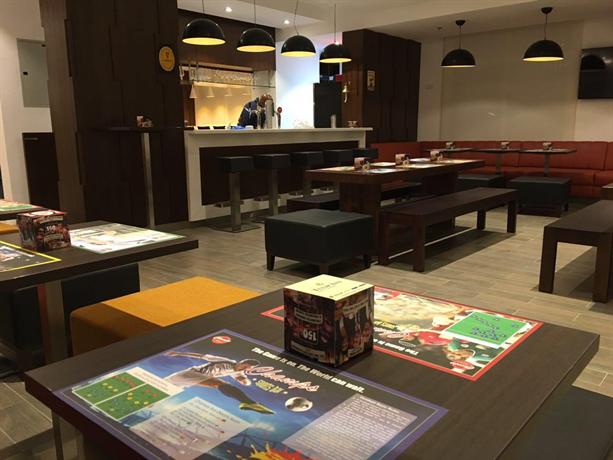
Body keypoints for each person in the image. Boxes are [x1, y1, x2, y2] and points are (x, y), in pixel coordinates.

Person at [164, 351, 274, 415]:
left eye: (247, 369)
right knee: (220, 384)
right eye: (244, 366)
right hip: (189, 374)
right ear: (241, 362)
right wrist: (179, 353)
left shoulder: (237, 372)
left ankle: (248, 403)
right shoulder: (225, 361)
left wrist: (245, 381)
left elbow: (246, 382)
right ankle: (249, 403)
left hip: (185, 381)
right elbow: (201, 356)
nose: (243, 369)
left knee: (165, 391)